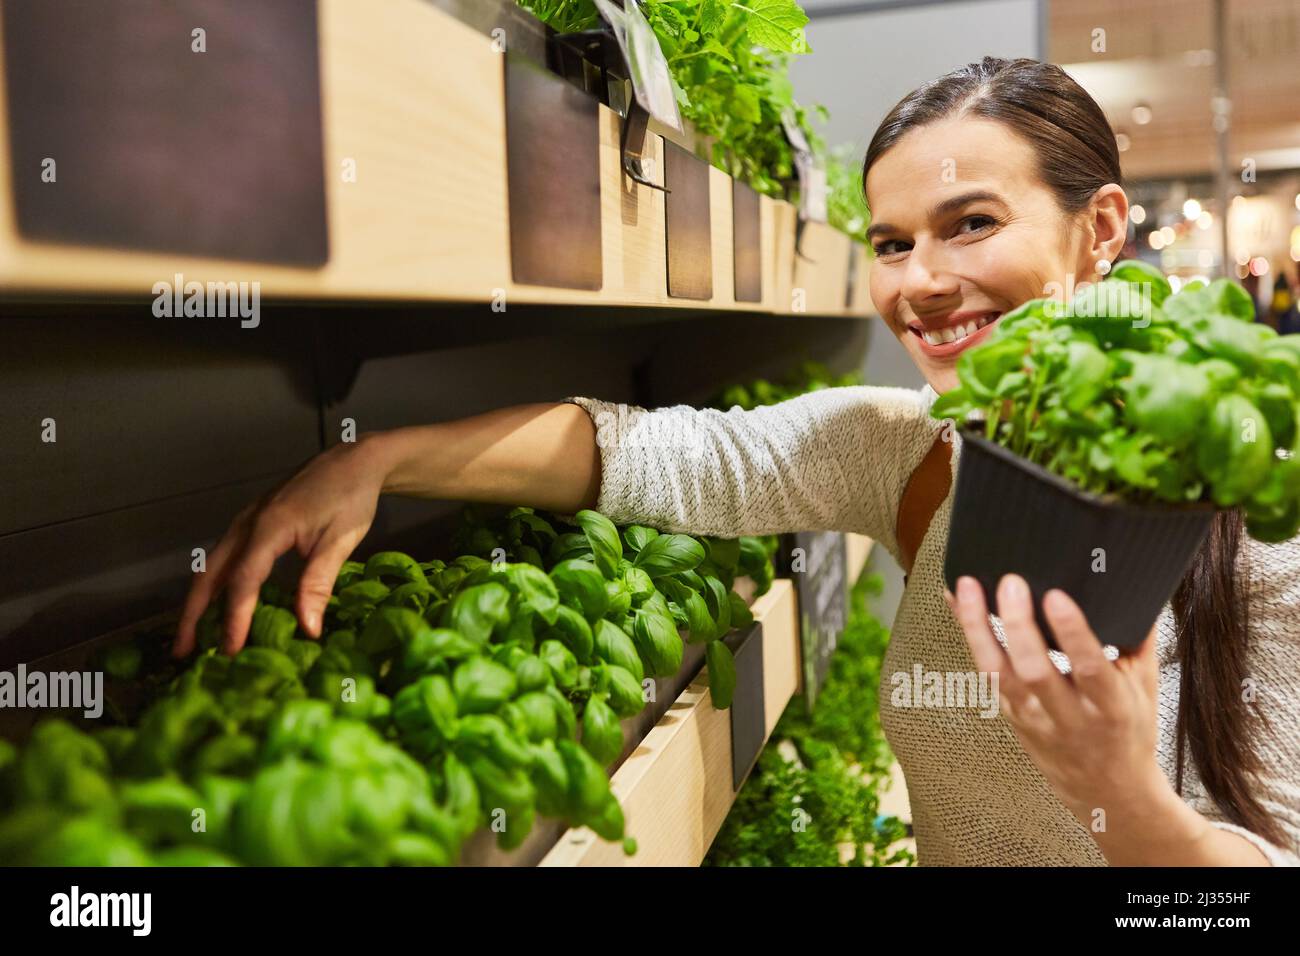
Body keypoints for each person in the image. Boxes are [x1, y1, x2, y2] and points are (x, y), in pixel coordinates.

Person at [174, 57, 1298, 867]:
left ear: (1099, 228)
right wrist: (377, 462)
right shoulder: (911, 452)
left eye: (970, 223)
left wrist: (1123, 798)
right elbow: (660, 453)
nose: (921, 281)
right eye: (892, 243)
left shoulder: (1254, 533)